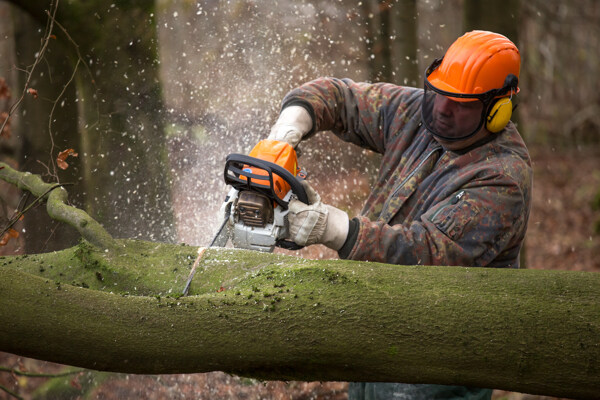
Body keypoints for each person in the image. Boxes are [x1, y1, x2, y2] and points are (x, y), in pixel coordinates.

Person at [268, 30, 532, 400]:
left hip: (439, 358)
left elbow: (424, 254)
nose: (442, 109)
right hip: (374, 331)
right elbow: (342, 97)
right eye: (440, 93)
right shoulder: (420, 114)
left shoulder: (502, 178)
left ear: (497, 109)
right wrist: (288, 129)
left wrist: (332, 227)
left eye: (461, 104)